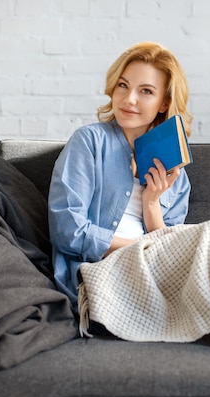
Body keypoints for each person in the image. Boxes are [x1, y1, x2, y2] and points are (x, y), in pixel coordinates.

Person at [48, 41, 194, 312]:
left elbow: (174, 253)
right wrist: (141, 248)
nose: (129, 99)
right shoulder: (89, 142)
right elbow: (66, 229)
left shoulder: (177, 175)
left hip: (156, 275)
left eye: (146, 91)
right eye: (123, 86)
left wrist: (151, 205)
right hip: (97, 274)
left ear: (164, 103)